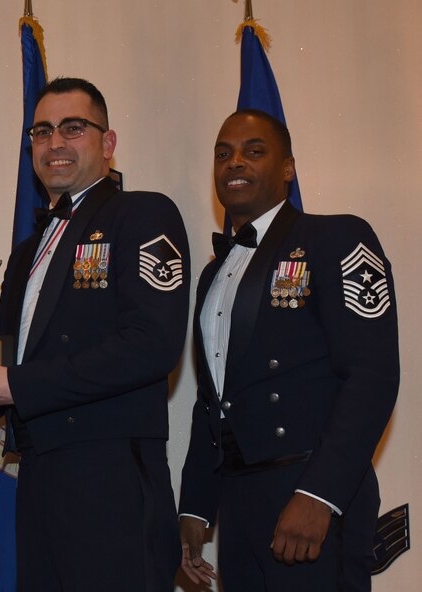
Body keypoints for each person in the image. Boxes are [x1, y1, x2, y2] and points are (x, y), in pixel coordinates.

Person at [0, 77, 191, 591]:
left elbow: (151, 344)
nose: (55, 142)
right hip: (35, 485)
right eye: (42, 131)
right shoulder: (29, 250)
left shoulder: (142, 214)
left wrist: (19, 387)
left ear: (108, 143)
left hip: (111, 481)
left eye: (73, 128)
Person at [178, 109, 399, 591]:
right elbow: (212, 399)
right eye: (223, 154)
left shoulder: (337, 238)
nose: (235, 162)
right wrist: (196, 504)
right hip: (239, 502)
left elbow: (372, 375)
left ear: (287, 168)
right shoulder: (213, 275)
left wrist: (320, 494)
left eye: (254, 151)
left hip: (310, 492)